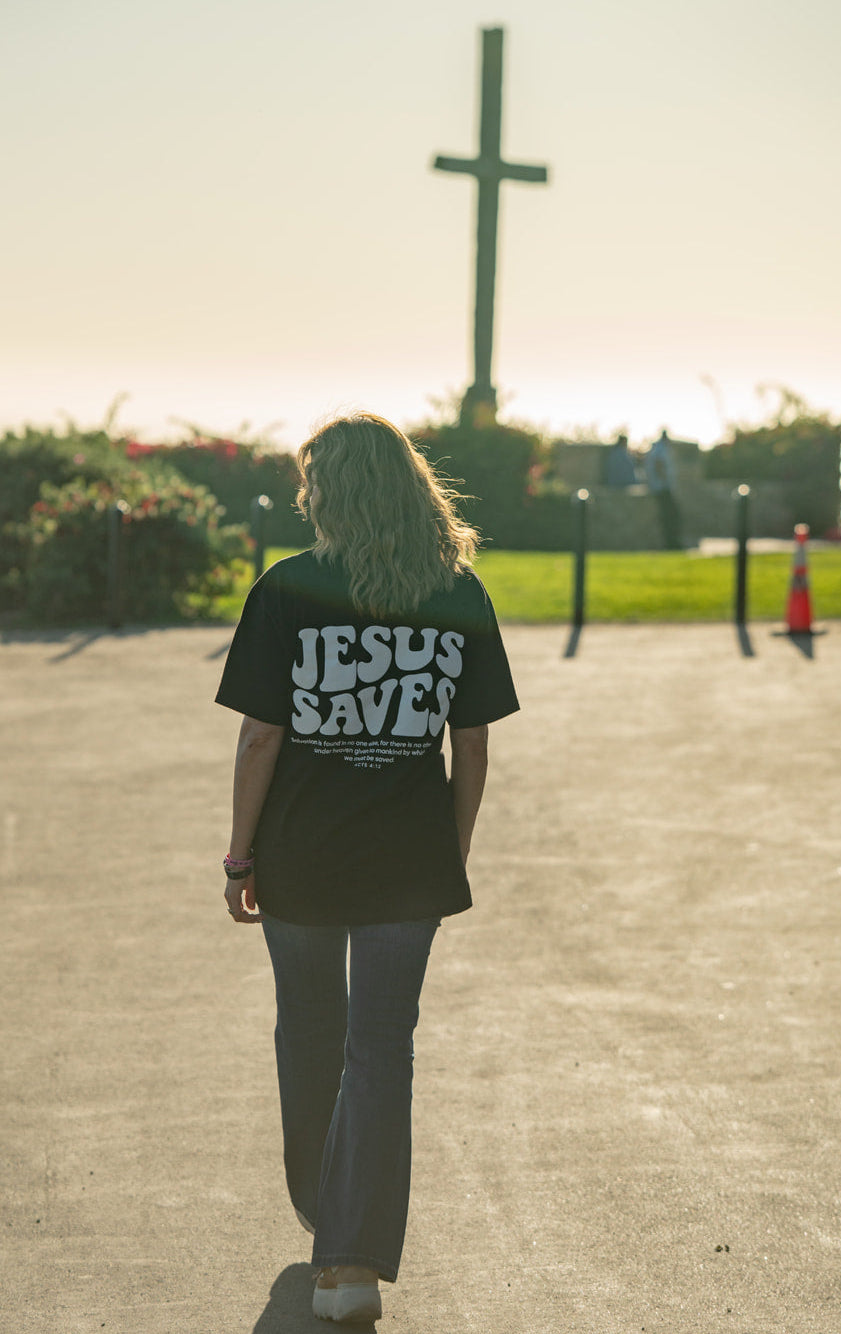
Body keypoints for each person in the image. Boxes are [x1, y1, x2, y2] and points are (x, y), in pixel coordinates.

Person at [215, 412, 520, 1324]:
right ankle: (345, 1256)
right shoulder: (456, 590)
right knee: (380, 1048)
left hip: (301, 852)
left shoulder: (288, 589)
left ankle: (329, 1220)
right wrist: (447, 851)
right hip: (405, 859)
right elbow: (472, 748)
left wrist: (239, 855)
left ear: (326, 490)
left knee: (308, 1032)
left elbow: (261, 733)